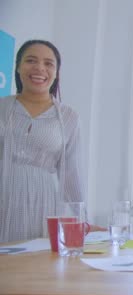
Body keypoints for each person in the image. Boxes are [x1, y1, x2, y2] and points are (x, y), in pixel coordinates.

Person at [0, 40, 101, 243]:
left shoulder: (68, 116)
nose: (39, 68)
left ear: (56, 73)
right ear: (18, 67)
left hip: (43, 202)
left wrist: (82, 221)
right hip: (4, 197)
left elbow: (71, 174)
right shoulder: (2, 107)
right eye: (31, 60)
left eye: (48, 63)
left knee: (36, 263)